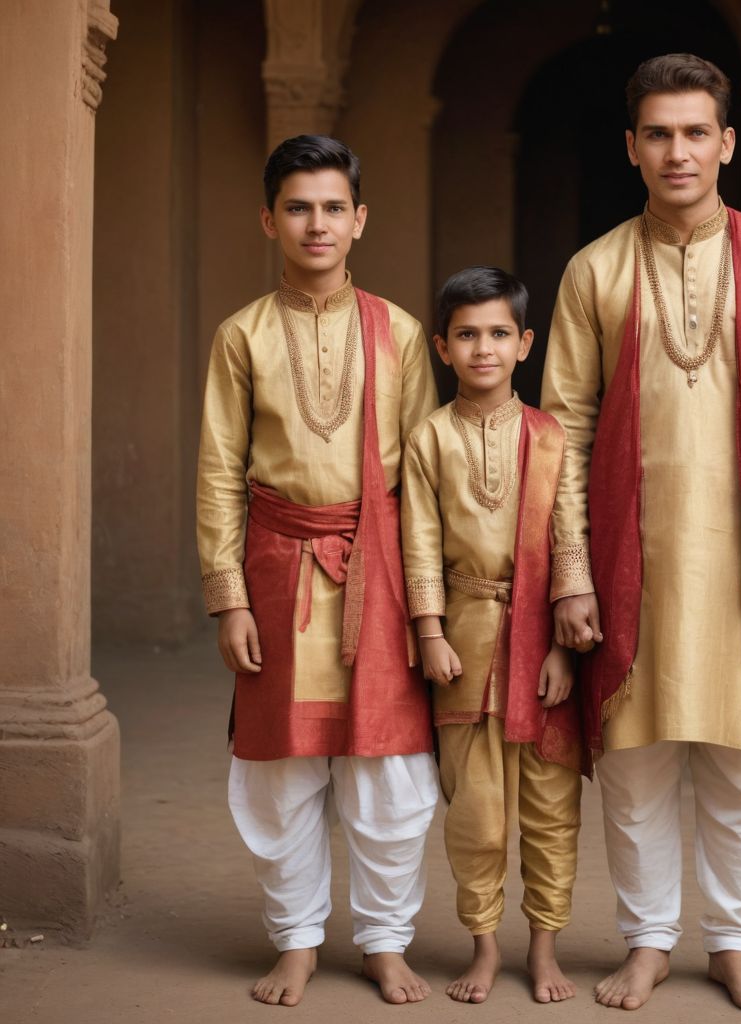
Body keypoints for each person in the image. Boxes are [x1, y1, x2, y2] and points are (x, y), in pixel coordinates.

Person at [541, 54, 741, 1012]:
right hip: (634, 560)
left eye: (695, 132)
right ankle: (647, 941)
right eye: (659, 134)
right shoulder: (594, 268)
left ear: (726, 143)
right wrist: (573, 574)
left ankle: (732, 941)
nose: (679, 151)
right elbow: (562, 431)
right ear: (632, 149)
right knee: (633, 762)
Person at [196, 134, 439, 1007]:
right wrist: (229, 600)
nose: (317, 223)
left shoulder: (402, 332)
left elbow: (426, 477)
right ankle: (296, 940)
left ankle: (383, 940)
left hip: (379, 561)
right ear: (270, 219)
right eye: (298, 207)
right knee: (282, 767)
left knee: (387, 769)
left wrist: (426, 610)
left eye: (334, 207)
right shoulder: (242, 336)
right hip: (275, 565)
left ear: (360, 220)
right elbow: (221, 470)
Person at [401, 267, 588, 1005]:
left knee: (550, 809)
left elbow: (569, 535)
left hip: (543, 642)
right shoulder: (428, 439)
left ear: (525, 344)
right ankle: (483, 947)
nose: (484, 348)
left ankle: (544, 948)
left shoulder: (550, 436)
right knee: (475, 811)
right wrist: (429, 633)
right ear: (442, 348)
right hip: (466, 646)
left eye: (499, 334)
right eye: (467, 335)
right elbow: (419, 541)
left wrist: (563, 646)